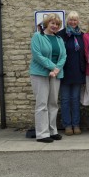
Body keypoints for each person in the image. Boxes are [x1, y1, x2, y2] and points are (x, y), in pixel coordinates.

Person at [29, 13, 67, 143]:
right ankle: (42, 133)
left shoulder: (59, 39)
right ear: (46, 23)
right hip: (40, 74)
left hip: (56, 74)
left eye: (57, 24)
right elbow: (37, 55)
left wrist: (56, 70)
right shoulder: (37, 36)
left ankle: (52, 131)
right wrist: (53, 67)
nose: (55, 26)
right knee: (42, 104)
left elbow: (63, 56)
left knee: (53, 103)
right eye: (52, 23)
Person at [58, 11, 86, 136]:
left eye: (75, 20)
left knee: (75, 99)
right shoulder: (61, 35)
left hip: (77, 72)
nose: (73, 22)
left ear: (78, 21)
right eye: (71, 20)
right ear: (67, 21)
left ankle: (76, 124)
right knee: (64, 100)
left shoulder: (82, 35)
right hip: (64, 72)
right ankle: (67, 125)